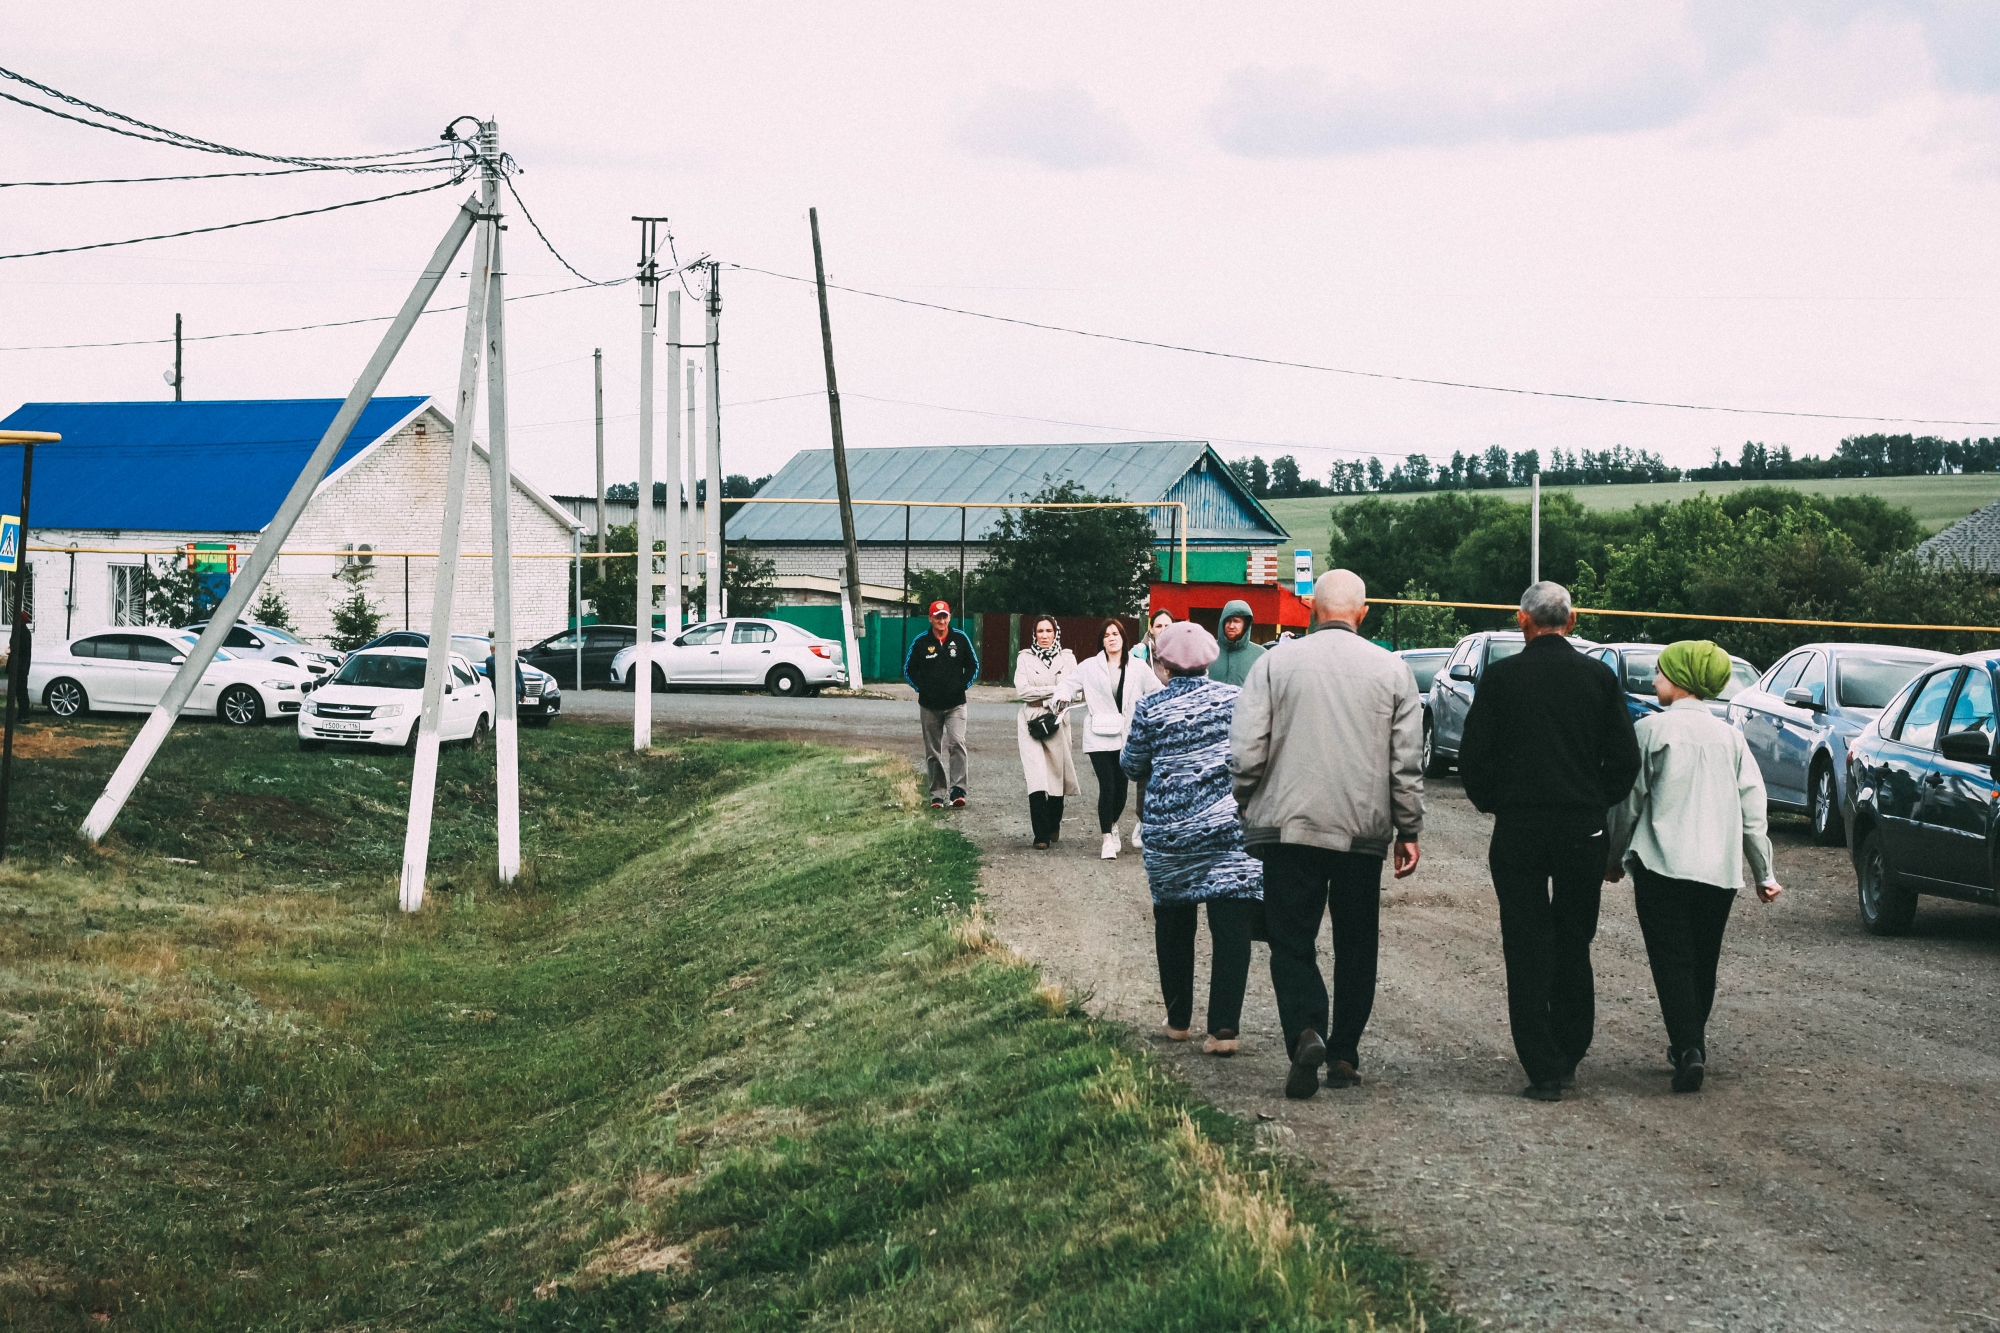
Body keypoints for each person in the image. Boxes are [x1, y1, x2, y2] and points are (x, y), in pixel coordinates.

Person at [1230, 569, 1424, 1099]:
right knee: (1357, 942)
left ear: (1313, 609)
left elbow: (1247, 749)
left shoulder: (1274, 663)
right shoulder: (1392, 670)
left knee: (1291, 939)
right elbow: (1405, 762)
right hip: (1361, 833)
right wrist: (1408, 828)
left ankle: (1305, 1030)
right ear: (1363, 613)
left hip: (1288, 828)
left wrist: (1246, 798)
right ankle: (1343, 1052)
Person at [1457, 581, 1641, 1102]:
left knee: (1525, 939)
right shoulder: (1599, 678)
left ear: (1523, 620)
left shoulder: (1501, 678)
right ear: (1572, 619)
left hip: (1519, 828)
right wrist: (1594, 799)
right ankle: (1570, 1050)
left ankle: (1540, 1064)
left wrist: (1495, 801)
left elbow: (1473, 758)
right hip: (1582, 827)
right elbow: (1626, 760)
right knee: (1574, 937)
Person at [1604, 639, 1783, 1094]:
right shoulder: (1732, 739)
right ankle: (1691, 1041)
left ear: (1681, 680)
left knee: (1671, 959)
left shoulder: (1651, 731)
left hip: (1662, 864)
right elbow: (1753, 811)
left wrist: (1611, 858)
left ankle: (1688, 1048)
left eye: (1661, 674)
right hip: (1719, 871)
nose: (1655, 681)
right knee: (1703, 958)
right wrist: (1764, 872)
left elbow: (1629, 802)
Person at [1122, 621, 1263, 1054]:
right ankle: (1223, 1030)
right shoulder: (1236, 700)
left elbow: (1131, 764)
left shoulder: (1150, 707)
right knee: (1231, 924)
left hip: (1170, 834)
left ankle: (1179, 1019)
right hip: (1228, 829)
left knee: (1174, 921)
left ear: (1162, 663)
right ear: (1210, 660)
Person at [1067, 618, 1161, 858]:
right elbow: (1069, 684)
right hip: (1098, 735)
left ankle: (1112, 824)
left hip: (1126, 736)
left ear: (1123, 638)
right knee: (1107, 786)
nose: (1111, 638)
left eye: (1115, 634)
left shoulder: (1138, 667)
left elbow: (1157, 691)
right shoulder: (1089, 666)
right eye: (1107, 635)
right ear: (1102, 641)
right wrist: (1060, 697)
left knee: (1121, 791)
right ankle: (1106, 839)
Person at [903, 599, 979, 810]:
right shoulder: (921, 641)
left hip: (955, 705)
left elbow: (974, 666)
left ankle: (958, 791)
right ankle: (937, 794)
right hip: (929, 706)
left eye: (944, 616)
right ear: (930, 618)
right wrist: (921, 688)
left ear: (949, 617)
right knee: (933, 751)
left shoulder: (960, 639)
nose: (941, 620)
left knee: (957, 744)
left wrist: (962, 686)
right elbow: (908, 670)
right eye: (937, 617)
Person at [1014, 615, 1079, 849]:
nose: (1044, 635)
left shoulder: (1068, 658)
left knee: (1056, 775)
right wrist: (1056, 690)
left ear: (1055, 633)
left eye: (1048, 631)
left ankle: (1053, 824)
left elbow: (1076, 691)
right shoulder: (1025, 658)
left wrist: (1045, 692)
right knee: (1036, 776)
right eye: (1040, 631)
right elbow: (1022, 691)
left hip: (1058, 721)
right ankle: (1040, 834)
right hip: (1031, 720)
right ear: (1035, 634)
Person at [1209, 598, 1264, 687]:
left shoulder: (1261, 655)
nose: (1231, 626)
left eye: (1236, 621)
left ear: (1245, 625)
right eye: (1228, 621)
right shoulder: (1208, 652)